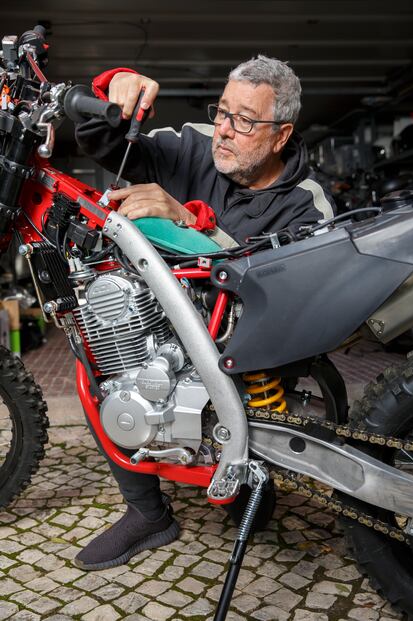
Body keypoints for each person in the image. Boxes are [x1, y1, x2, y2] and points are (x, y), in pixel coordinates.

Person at [74, 55, 335, 571]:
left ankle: (246, 481)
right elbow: (103, 145)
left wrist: (190, 223)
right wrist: (114, 92)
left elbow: (288, 297)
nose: (224, 131)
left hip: (245, 352)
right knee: (95, 355)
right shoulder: (193, 143)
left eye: (244, 121)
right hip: (164, 338)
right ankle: (147, 513)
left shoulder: (309, 205)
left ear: (281, 135)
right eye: (222, 112)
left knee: (244, 465)